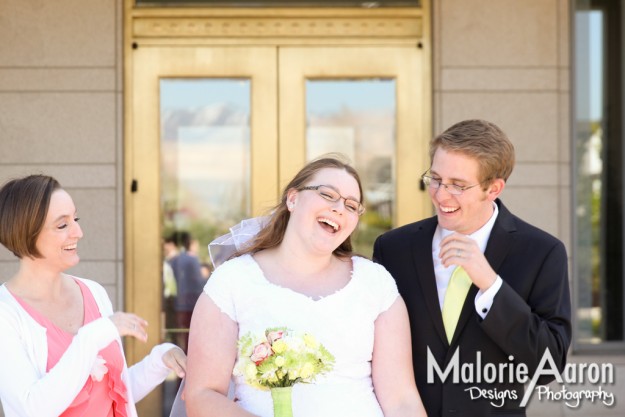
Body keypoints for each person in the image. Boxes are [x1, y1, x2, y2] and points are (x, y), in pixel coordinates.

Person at [184, 156, 427, 417]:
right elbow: (202, 395)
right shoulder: (233, 280)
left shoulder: (376, 284)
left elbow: (402, 400)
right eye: (327, 194)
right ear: (293, 198)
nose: (339, 208)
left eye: (351, 205)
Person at [373, 119, 572, 416]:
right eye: (436, 179)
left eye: (458, 185)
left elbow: (549, 364)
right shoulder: (393, 249)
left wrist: (492, 287)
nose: (441, 195)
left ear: (493, 188)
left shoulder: (542, 252)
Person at [0, 174, 187, 417]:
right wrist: (94, 335)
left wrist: (160, 360)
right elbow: (32, 410)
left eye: (75, 218)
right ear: (25, 233)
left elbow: (113, 391)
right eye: (62, 225)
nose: (78, 232)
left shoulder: (93, 293)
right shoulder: (6, 314)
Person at [167, 231, 205, 353]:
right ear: (192, 243)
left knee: (180, 334)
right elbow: (198, 281)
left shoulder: (174, 259)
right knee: (191, 334)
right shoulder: (192, 259)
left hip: (179, 301)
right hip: (192, 301)